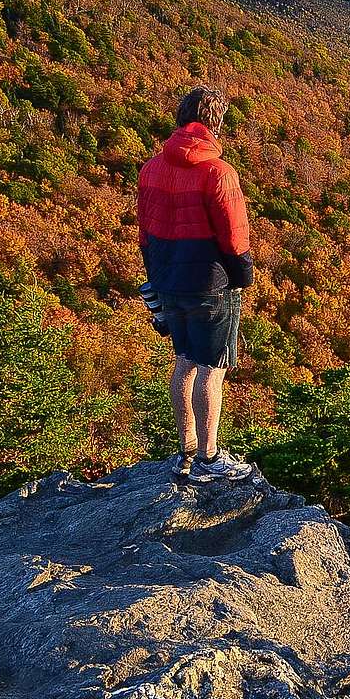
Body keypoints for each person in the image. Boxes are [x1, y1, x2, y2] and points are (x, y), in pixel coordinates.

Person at [137, 86, 254, 482]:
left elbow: (145, 233)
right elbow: (234, 236)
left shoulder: (151, 169)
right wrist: (242, 277)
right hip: (210, 283)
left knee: (184, 361)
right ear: (215, 124)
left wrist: (156, 277)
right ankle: (209, 458)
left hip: (168, 279)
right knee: (211, 369)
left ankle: (185, 452)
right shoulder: (218, 172)